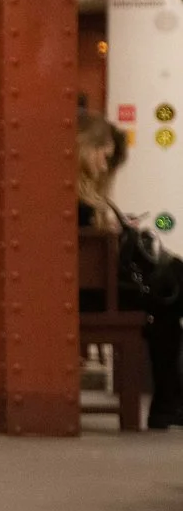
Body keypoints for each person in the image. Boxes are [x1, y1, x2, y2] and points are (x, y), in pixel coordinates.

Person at [78, 112, 181, 428]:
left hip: (93, 290)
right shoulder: (79, 203)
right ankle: (168, 404)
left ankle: (169, 404)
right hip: (91, 296)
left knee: (166, 314)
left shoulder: (75, 198)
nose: (105, 167)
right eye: (104, 157)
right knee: (172, 291)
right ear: (86, 148)